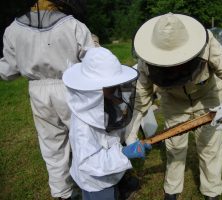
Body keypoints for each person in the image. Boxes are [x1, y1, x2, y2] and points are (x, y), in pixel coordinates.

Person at [126, 13, 222, 200]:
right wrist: (131, 135)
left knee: (210, 144)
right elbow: (141, 100)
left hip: (207, 95)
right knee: (174, 145)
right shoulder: (146, 62)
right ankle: (172, 189)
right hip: (173, 100)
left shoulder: (208, 44)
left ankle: (212, 190)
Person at [0, 0, 96, 199]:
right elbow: (92, 60)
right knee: (84, 139)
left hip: (38, 91)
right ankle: (93, 185)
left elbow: (9, 71)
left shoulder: (13, 29)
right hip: (73, 86)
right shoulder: (73, 25)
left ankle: (63, 193)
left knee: (51, 143)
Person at [62, 47, 151, 200]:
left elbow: (110, 137)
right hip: (95, 181)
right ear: (94, 88)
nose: (116, 89)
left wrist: (130, 146)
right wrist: (123, 153)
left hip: (108, 173)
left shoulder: (104, 103)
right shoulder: (82, 126)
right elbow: (89, 162)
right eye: (110, 86)